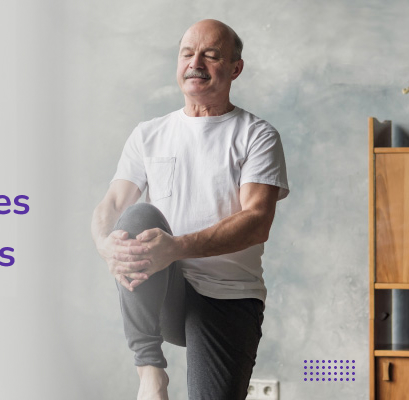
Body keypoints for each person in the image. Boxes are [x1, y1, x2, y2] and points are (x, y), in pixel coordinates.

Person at [90, 19, 289, 400]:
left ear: (235, 68)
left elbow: (256, 222)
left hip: (230, 296)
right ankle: (150, 372)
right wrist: (104, 246)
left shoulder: (257, 135)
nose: (195, 62)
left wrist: (176, 247)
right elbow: (113, 203)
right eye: (187, 53)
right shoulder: (149, 133)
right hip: (165, 290)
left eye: (211, 55)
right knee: (136, 218)